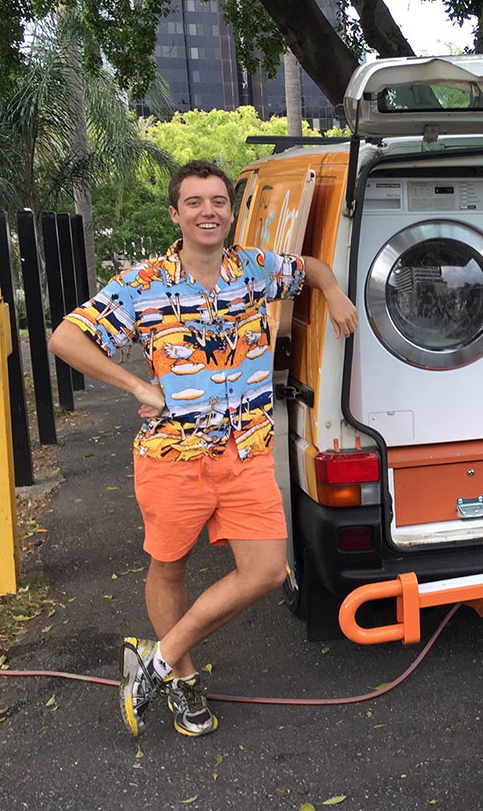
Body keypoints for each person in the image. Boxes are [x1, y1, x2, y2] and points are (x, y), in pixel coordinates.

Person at [48, 159, 358, 738]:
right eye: (194, 202)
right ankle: (184, 679)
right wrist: (137, 386)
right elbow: (66, 338)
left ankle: (158, 660)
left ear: (230, 212)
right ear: (176, 213)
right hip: (172, 458)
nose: (208, 211)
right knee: (170, 568)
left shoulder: (255, 270)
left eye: (218, 201)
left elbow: (312, 267)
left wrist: (333, 290)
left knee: (266, 572)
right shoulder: (142, 284)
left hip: (247, 453)